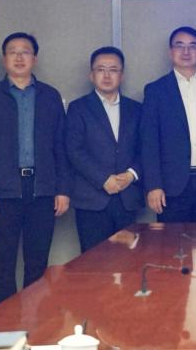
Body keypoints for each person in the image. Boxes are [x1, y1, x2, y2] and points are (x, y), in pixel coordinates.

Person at [0, 32, 70, 305]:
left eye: (25, 51)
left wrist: (62, 189)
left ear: (34, 59)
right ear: (4, 60)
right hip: (3, 192)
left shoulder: (50, 96)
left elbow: (61, 146)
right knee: (3, 264)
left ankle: (35, 323)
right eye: (12, 52)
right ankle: (3, 325)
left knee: (37, 264)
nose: (19, 57)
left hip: (43, 189)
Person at [140, 27, 196, 223]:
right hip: (171, 186)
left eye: (192, 46)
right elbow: (149, 142)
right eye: (179, 46)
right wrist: (153, 185)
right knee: (172, 241)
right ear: (170, 52)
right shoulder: (155, 90)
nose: (186, 52)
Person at [65, 46, 143, 251]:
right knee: (93, 262)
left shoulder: (136, 109)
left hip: (127, 197)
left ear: (122, 75)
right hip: (92, 198)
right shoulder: (78, 108)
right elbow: (74, 150)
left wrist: (131, 174)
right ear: (91, 75)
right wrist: (103, 179)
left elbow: (146, 148)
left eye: (113, 70)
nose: (107, 75)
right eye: (100, 69)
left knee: (129, 261)